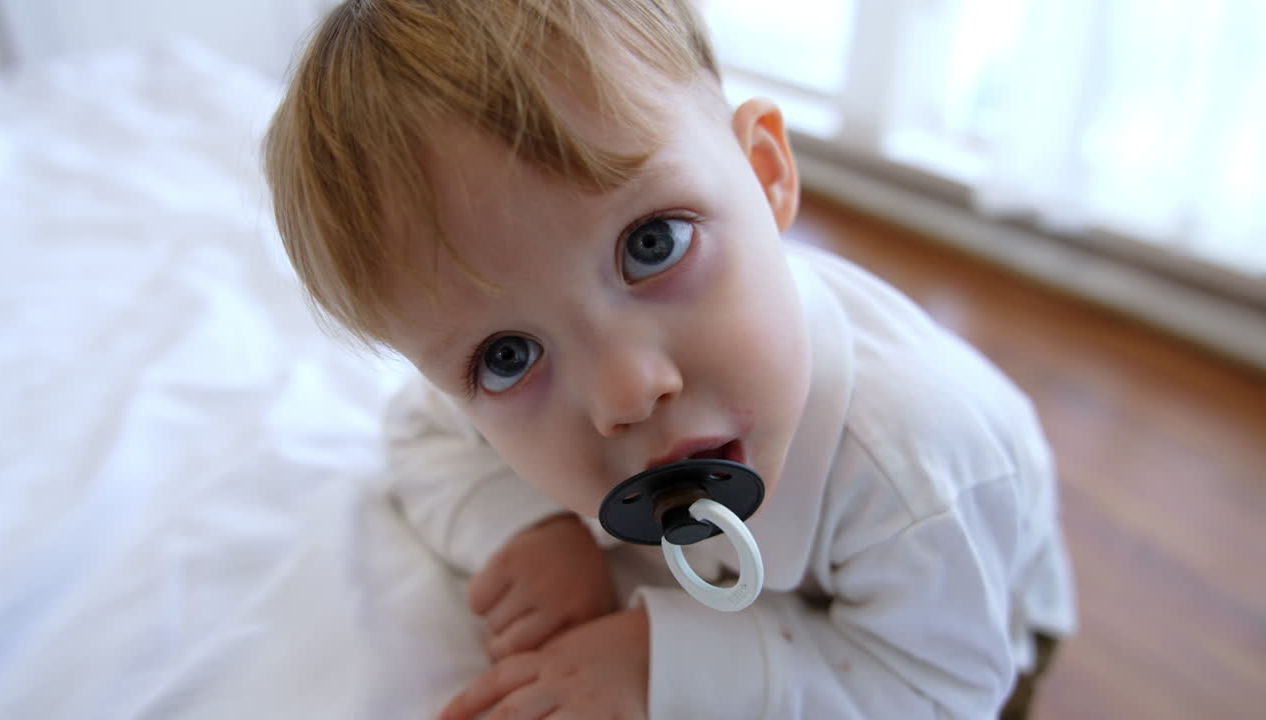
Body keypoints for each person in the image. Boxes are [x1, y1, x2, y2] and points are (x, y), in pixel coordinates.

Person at [262, 0, 1076, 717]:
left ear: (765, 176)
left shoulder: (919, 467)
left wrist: (662, 663)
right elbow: (420, 433)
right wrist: (532, 529)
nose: (625, 391)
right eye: (509, 358)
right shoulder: (534, 405)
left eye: (653, 245)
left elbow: (938, 691)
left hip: (981, 615)